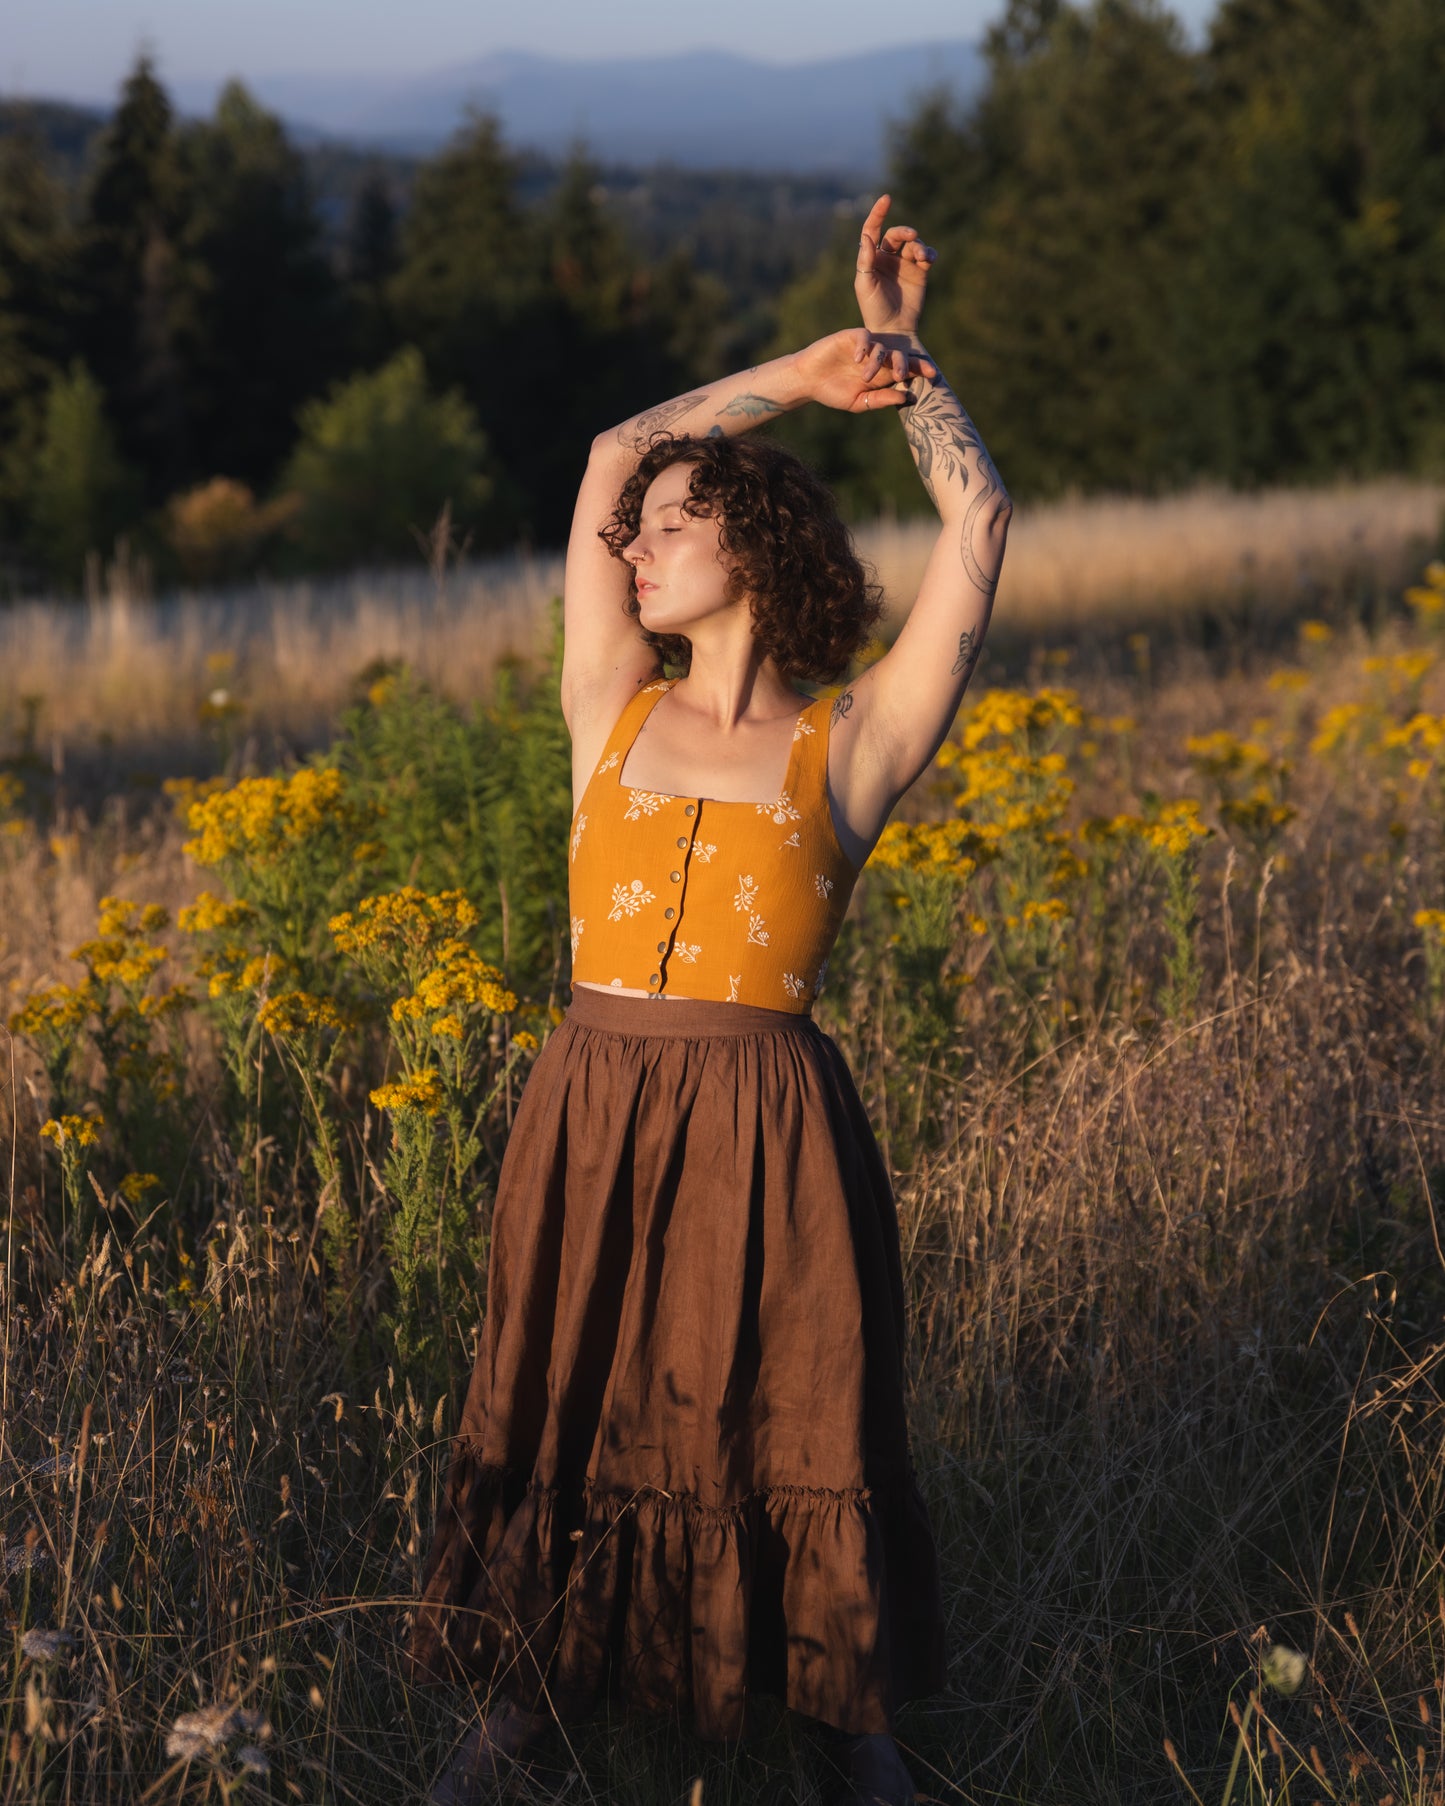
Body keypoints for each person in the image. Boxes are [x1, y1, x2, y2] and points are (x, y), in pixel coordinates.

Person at [408, 194, 1011, 1805]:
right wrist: (808, 369)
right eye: (636, 535)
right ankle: (523, 1722)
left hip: (769, 1130)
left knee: (786, 1416)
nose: (631, 545)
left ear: (749, 540)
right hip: (591, 1109)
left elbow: (980, 528)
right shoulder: (605, 698)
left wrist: (911, 369)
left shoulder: (851, 743)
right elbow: (611, 448)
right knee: (571, 1405)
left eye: (672, 525)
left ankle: (843, 1734)